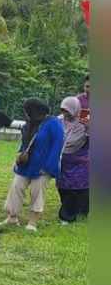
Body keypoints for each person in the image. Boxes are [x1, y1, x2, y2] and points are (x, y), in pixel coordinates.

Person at [0, 98, 65, 232]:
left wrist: (47, 168)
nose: (26, 113)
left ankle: (32, 223)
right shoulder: (29, 124)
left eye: (28, 111)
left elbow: (57, 147)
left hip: (43, 167)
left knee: (37, 192)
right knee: (16, 187)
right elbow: (25, 143)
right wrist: (20, 155)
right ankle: (12, 217)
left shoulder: (54, 124)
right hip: (26, 165)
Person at [56, 96, 89, 224]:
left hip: (80, 160)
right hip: (63, 159)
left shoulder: (85, 120)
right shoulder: (59, 120)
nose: (65, 113)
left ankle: (69, 215)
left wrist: (89, 128)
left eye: (67, 110)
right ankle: (70, 211)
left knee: (77, 188)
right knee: (63, 187)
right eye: (63, 110)